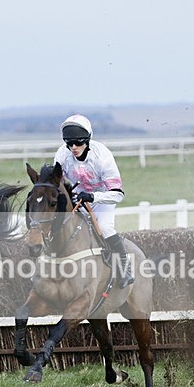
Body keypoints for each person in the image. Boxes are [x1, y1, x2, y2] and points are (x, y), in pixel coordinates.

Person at [53, 114, 134, 288]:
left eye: (78, 143)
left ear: (88, 140)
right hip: (78, 198)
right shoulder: (62, 154)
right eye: (69, 144)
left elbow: (118, 194)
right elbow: (57, 183)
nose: (73, 148)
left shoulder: (103, 156)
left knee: (104, 227)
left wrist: (93, 197)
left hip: (103, 199)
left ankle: (125, 268)